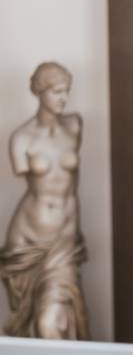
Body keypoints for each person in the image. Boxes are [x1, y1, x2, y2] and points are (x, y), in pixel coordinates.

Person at [1, 61, 90, 339]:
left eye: (66, 91)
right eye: (56, 92)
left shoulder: (74, 126)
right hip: (27, 242)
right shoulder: (21, 139)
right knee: (33, 325)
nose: (63, 98)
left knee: (51, 322)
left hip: (62, 242)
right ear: (39, 92)